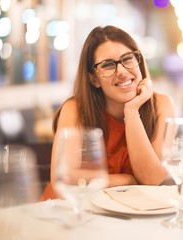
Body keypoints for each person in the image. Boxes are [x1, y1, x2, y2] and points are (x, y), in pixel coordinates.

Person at [41, 25, 175, 200]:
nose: (121, 71)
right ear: (94, 79)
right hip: (70, 211)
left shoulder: (161, 105)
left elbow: (152, 179)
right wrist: (126, 180)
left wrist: (132, 110)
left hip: (128, 215)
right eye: (108, 65)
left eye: (127, 59)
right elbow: (63, 180)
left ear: (139, 62)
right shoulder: (75, 108)